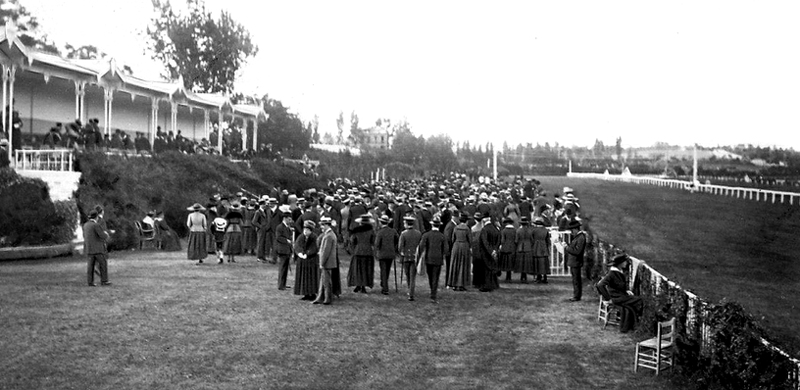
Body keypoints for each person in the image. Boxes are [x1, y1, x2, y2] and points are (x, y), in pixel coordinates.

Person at [597, 254, 643, 333]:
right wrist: (608, 298)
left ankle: (627, 327)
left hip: (620, 296)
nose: (626, 263)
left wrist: (626, 291)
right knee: (639, 300)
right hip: (616, 298)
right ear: (620, 263)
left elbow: (618, 286)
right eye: (625, 262)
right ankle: (639, 322)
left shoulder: (619, 272)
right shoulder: (612, 274)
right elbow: (600, 285)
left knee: (628, 308)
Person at [419, 217, 448, 303]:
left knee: (430, 275)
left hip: (429, 258)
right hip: (438, 259)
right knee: (435, 276)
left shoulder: (426, 235)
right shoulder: (442, 236)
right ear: (439, 225)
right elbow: (446, 249)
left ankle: (432, 290)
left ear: (432, 224)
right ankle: (433, 293)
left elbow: (421, 246)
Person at [348, 214, 375, 293]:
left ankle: (358, 285)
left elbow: (352, 241)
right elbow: (373, 241)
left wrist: (353, 249)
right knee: (366, 269)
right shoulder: (371, 231)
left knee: (357, 269)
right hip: (368, 251)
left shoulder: (356, 231)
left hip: (358, 251)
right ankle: (363, 286)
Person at [312, 217, 337, 305]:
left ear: (326, 225)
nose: (321, 227)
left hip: (327, 262)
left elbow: (326, 251)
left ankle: (327, 299)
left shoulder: (329, 236)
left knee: (326, 281)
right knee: (323, 281)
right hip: (328, 262)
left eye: (322, 225)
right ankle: (320, 298)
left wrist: (322, 262)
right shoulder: (329, 234)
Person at [83, 210, 111, 287]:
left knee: (90, 266)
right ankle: (104, 280)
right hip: (98, 249)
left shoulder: (85, 225)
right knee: (103, 265)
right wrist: (106, 234)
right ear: (96, 217)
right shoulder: (96, 225)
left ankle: (90, 281)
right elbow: (102, 235)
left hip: (89, 249)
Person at [294, 220, 320, 301]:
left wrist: (307, 254)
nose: (305, 231)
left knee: (311, 277)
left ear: (311, 231)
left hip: (311, 261)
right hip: (302, 261)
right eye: (304, 229)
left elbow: (315, 247)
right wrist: (300, 253)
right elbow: (297, 245)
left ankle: (312, 293)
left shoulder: (314, 237)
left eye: (307, 230)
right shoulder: (301, 237)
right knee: (303, 278)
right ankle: (305, 293)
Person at [398, 216, 421, 301]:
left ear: (407, 224)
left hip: (406, 257)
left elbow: (400, 247)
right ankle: (411, 292)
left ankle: (410, 291)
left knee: (408, 275)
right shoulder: (418, 233)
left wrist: (401, 253)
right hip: (415, 257)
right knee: (412, 276)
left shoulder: (403, 234)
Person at [374, 214, 399, 295]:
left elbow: (377, 244)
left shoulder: (380, 232)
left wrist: (376, 252)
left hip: (382, 253)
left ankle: (385, 288)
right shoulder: (393, 231)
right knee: (387, 270)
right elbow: (397, 240)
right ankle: (384, 284)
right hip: (391, 253)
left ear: (381, 223)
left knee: (383, 271)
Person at [564, 219, 587, 301]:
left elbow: (577, 251)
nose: (571, 232)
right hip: (575, 261)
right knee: (575, 279)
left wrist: (567, 247)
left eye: (572, 230)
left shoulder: (581, 238)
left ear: (575, 229)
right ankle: (576, 295)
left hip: (576, 261)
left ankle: (577, 296)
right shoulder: (579, 237)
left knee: (576, 280)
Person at [446, 214, 472, 291]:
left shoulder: (456, 228)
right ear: (466, 221)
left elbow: (453, 238)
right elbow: (470, 240)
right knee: (463, 265)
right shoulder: (467, 229)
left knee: (455, 264)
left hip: (456, 246)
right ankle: (461, 284)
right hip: (464, 246)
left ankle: (454, 283)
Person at [478, 214, 501, 292]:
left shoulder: (484, 229)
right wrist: (495, 250)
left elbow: (485, 242)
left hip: (486, 252)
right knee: (492, 268)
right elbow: (498, 241)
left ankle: (486, 286)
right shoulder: (496, 229)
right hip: (494, 251)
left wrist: (490, 251)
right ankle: (494, 284)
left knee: (486, 269)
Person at [275, 211, 294, 290]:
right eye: (289, 219)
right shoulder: (280, 227)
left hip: (287, 250)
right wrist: (287, 241)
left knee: (285, 268)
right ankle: (280, 285)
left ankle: (283, 284)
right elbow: (278, 237)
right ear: (284, 218)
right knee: (282, 268)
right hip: (282, 250)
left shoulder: (287, 227)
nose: (290, 221)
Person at [498, 217, 517, 282]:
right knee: (511, 262)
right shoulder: (515, 230)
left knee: (506, 263)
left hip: (505, 248)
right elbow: (516, 240)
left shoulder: (504, 231)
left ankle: (507, 277)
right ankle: (509, 276)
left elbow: (502, 240)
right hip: (513, 248)